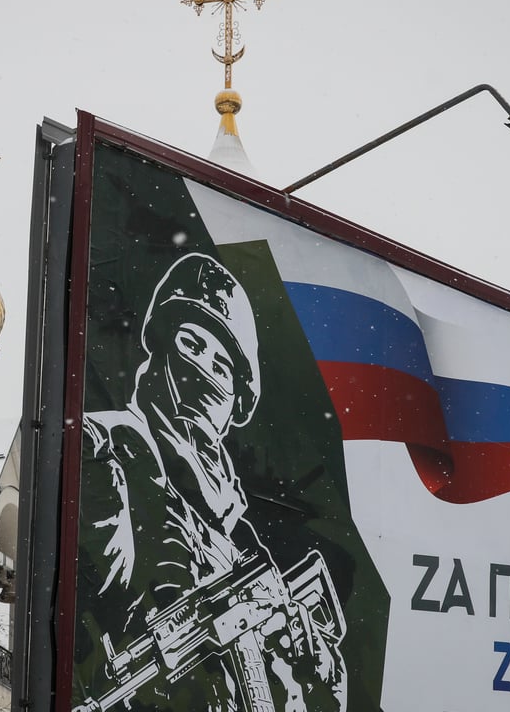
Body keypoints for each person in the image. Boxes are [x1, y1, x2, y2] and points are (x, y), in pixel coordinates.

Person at [76, 253, 347, 712]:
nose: (203, 372)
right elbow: (110, 571)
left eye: (222, 367)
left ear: (236, 399)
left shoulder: (238, 532)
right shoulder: (112, 449)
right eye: (191, 344)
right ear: (160, 344)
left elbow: (328, 696)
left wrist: (311, 656)